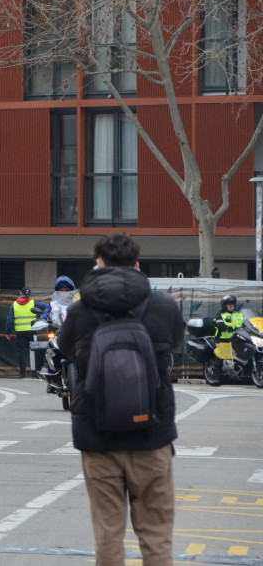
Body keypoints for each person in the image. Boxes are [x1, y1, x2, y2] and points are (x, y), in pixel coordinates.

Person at [59, 232, 182, 566]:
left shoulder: (80, 311)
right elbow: (175, 346)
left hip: (99, 441)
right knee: (156, 536)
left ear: (99, 264)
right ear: (137, 264)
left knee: (108, 535)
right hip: (152, 436)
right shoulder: (163, 306)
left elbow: (67, 351)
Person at [5, 287, 49, 378]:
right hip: (32, 331)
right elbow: (46, 307)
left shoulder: (14, 304)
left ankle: (22, 373)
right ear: (29, 295)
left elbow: (9, 319)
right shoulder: (33, 303)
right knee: (33, 352)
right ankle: (34, 373)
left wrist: (8, 332)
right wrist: (44, 316)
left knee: (22, 352)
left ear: (20, 293)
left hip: (19, 332)